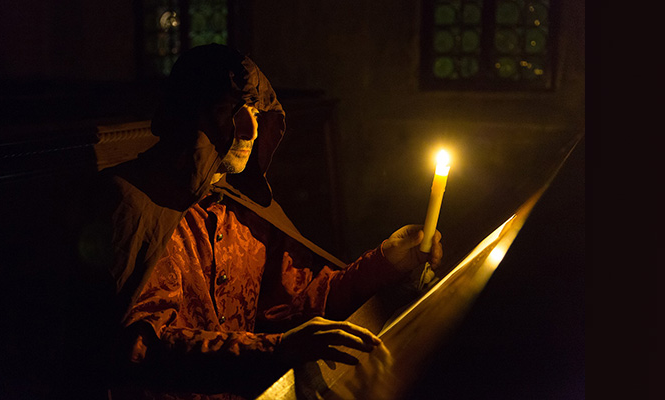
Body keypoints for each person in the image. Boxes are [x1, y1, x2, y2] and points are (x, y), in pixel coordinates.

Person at [67, 44, 442, 400]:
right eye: (230, 111)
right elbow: (138, 347)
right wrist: (275, 349)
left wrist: (386, 262)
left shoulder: (243, 204)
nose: (250, 129)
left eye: (256, 112)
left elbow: (297, 302)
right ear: (191, 115)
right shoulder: (131, 202)